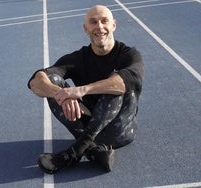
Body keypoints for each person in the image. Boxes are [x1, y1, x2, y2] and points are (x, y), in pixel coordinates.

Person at [28, 5, 144, 174]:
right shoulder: (78, 58)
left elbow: (123, 82)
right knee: (51, 82)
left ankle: (76, 151)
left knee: (116, 82)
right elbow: (35, 81)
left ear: (114, 25)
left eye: (104, 21)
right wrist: (61, 94)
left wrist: (81, 90)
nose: (99, 27)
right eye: (93, 22)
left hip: (120, 131)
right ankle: (94, 151)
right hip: (89, 126)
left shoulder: (129, 55)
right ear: (86, 28)